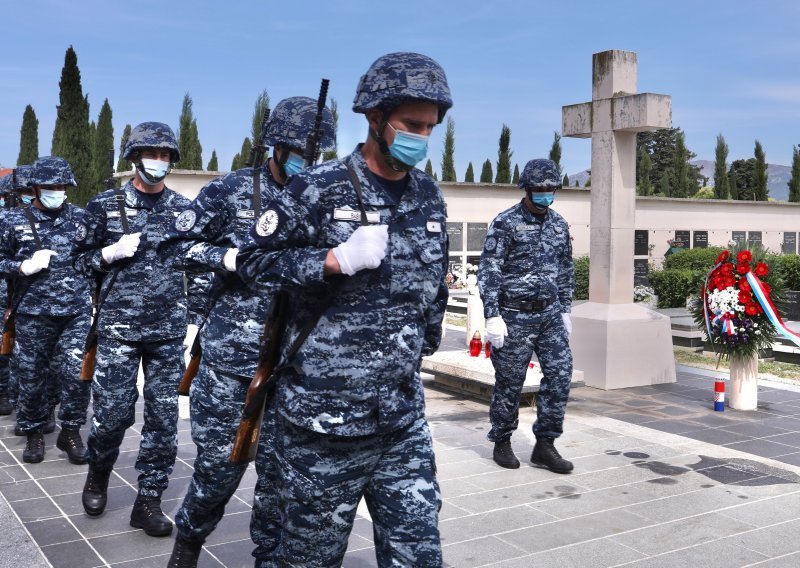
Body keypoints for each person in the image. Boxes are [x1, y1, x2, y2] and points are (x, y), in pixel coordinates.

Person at [237, 51, 451, 567]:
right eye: (411, 123)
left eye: (431, 126)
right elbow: (252, 262)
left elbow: (433, 289)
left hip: (400, 420)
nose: (421, 136)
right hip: (322, 426)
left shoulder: (429, 195)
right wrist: (330, 260)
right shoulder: (317, 187)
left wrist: (419, 345)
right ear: (374, 118)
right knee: (310, 558)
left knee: (420, 555)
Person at [158, 96, 335, 568]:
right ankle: (189, 542)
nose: (306, 161)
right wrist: (229, 258)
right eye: (297, 150)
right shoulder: (232, 190)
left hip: (294, 365)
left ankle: (268, 559)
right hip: (232, 362)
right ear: (274, 145)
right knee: (219, 469)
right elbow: (177, 243)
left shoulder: (327, 198)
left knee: (280, 481)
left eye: (314, 154)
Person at [71, 122, 208, 536]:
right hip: (118, 330)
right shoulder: (104, 205)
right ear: (134, 157)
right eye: (153, 153)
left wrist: (196, 314)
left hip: (167, 333)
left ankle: (148, 500)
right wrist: (107, 254)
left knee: (164, 420)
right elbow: (77, 263)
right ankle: (99, 472)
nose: (160, 161)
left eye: (167, 155)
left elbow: (198, 263)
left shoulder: (185, 209)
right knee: (112, 415)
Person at [477, 158, 575, 473]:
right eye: (540, 189)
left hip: (549, 316)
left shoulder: (559, 224)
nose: (546, 194)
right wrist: (492, 315)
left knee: (560, 377)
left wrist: (566, 308)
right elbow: (489, 270)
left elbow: (566, 269)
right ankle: (502, 440)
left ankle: (545, 445)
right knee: (509, 382)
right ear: (527, 189)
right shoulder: (505, 222)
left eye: (551, 189)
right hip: (514, 316)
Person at [0, 157, 92, 464]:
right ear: (36, 188)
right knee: (32, 374)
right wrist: (21, 266)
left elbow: (93, 256)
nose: (56, 190)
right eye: (49, 186)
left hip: (76, 312)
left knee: (78, 372)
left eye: (61, 185)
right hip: (33, 313)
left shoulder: (82, 217)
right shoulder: (12, 220)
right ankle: (34, 431)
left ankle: (71, 430)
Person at [0, 165, 35, 418]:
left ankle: (27, 397)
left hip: (29, 293)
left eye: (28, 191)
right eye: (20, 192)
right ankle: (3, 391)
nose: (26, 196)